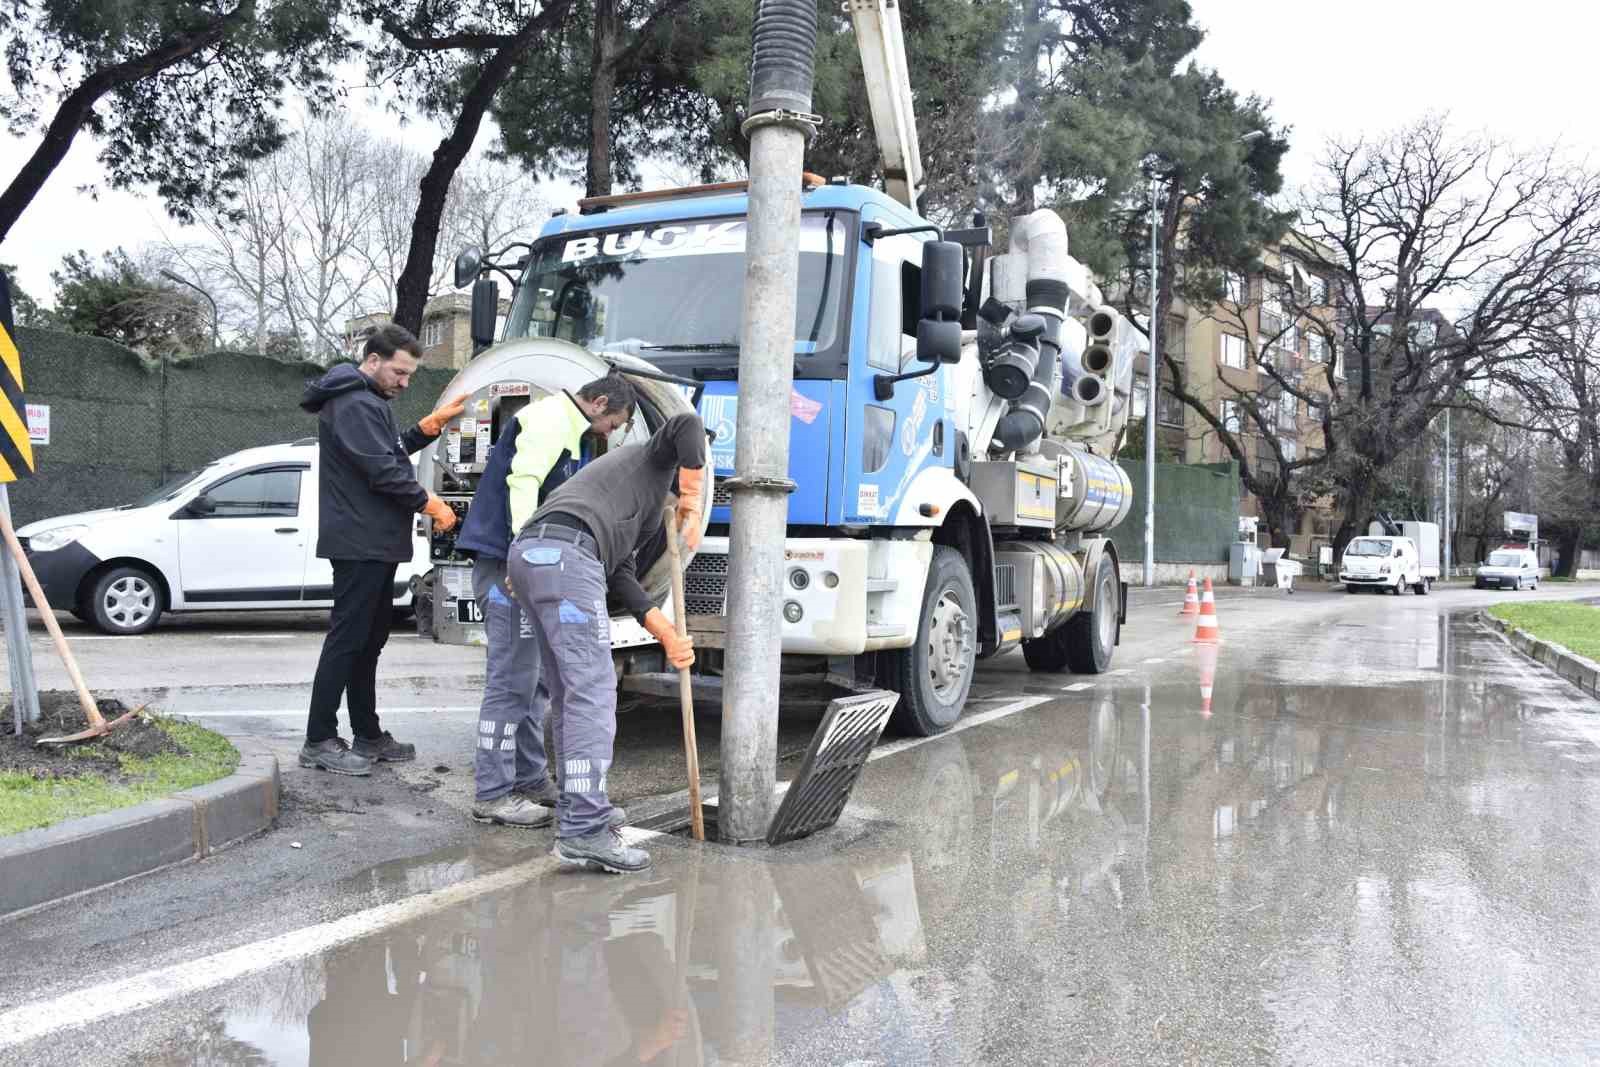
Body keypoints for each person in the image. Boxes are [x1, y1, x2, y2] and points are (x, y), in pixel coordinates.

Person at [508, 413, 706, 873]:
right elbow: (687, 424)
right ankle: (585, 828)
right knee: (593, 694)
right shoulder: (651, 457)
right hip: (566, 557)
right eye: (690, 476)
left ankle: (577, 808)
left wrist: (666, 633)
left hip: (533, 555)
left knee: (568, 691)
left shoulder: (630, 501)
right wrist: (694, 504)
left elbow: (620, 575)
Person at [455, 374, 639, 827]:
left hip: (520, 564)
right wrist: (525, 554)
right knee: (511, 679)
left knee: (534, 679)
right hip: (507, 564)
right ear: (598, 403)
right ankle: (493, 793)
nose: (610, 432)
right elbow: (524, 482)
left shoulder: (572, 430)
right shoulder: (549, 419)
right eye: (614, 422)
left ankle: (530, 778)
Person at [298, 324, 464, 776]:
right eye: (399, 372)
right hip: (359, 542)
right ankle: (318, 739)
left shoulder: (367, 402)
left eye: (409, 374)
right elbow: (382, 473)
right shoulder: (352, 403)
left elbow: (387, 453)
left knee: (368, 642)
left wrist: (425, 430)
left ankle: (367, 734)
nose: (404, 382)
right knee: (348, 640)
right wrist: (429, 502)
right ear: (372, 361)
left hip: (374, 540)